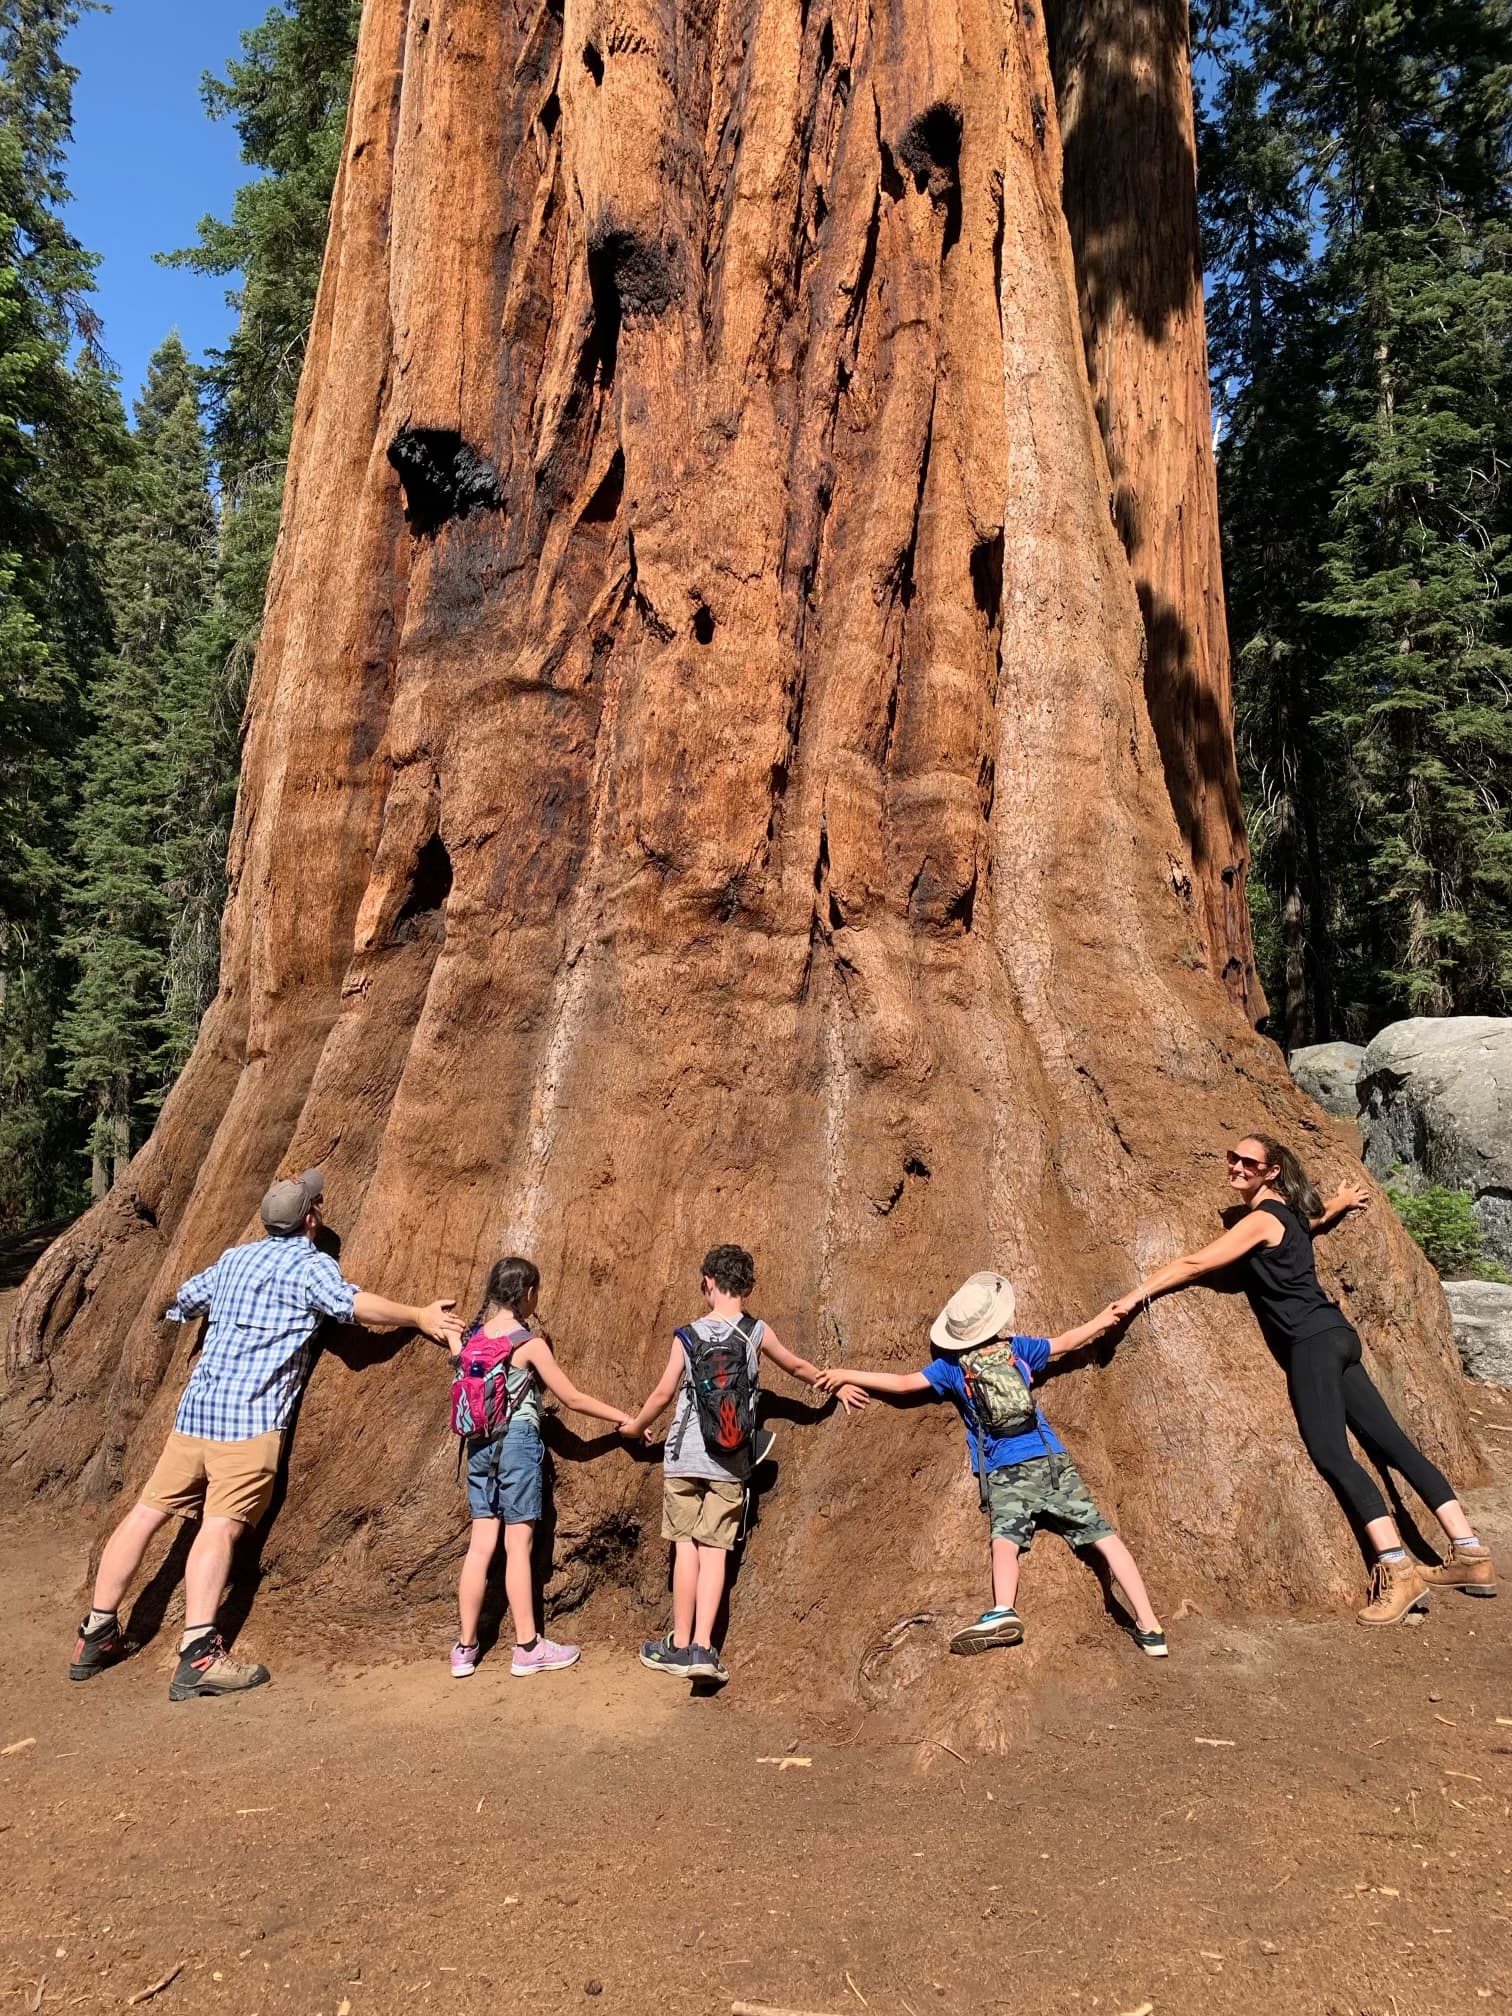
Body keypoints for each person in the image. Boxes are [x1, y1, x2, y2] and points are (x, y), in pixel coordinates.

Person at [69, 1167, 463, 1700]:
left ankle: (95, 1633)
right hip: (248, 1425)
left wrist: (195, 1314)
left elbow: (186, 1299)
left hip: (196, 1415)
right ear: (311, 1219)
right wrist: (418, 1315)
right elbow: (355, 1305)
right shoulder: (309, 1266)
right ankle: (199, 1655)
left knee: (146, 1514)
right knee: (219, 1527)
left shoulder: (235, 1259)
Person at [1107, 1134, 1495, 1625]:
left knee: (1333, 1454)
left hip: (1311, 1346)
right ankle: (1470, 1552)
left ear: (1271, 1172)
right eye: (1232, 1156)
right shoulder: (1288, 1213)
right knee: (1395, 1446)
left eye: (1248, 1162)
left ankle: (1399, 1570)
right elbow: (1313, 1221)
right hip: (1338, 1334)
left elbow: (1196, 1262)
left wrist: (1133, 1295)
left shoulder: (1261, 1219)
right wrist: (1342, 1202)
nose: (1236, 1166)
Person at [816, 1271, 1168, 1657]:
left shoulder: (952, 1367)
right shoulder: (1018, 1350)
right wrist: (1104, 1318)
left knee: (1005, 1543)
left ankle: (1003, 1610)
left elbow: (902, 1384)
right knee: (1105, 1538)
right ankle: (1150, 1626)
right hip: (1050, 1460)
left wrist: (843, 1374)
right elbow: (1067, 1343)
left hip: (1003, 1467)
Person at [621, 1242, 864, 1684]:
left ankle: (676, 1646)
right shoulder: (755, 1332)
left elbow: (661, 1395)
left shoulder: (688, 1335)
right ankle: (703, 1648)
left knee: (685, 1548)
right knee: (716, 1551)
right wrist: (836, 1386)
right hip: (731, 1461)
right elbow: (796, 1367)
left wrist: (635, 1429)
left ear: (707, 1284)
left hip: (684, 1457)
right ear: (747, 1287)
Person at [448, 1255, 631, 1679]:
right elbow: (571, 1397)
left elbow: (458, 1362)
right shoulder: (526, 1343)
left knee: (480, 1547)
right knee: (518, 1546)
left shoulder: (473, 1338)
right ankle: (528, 1646)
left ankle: (465, 1648)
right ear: (527, 1294)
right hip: (517, 1444)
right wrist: (620, 1415)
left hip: (477, 1446)